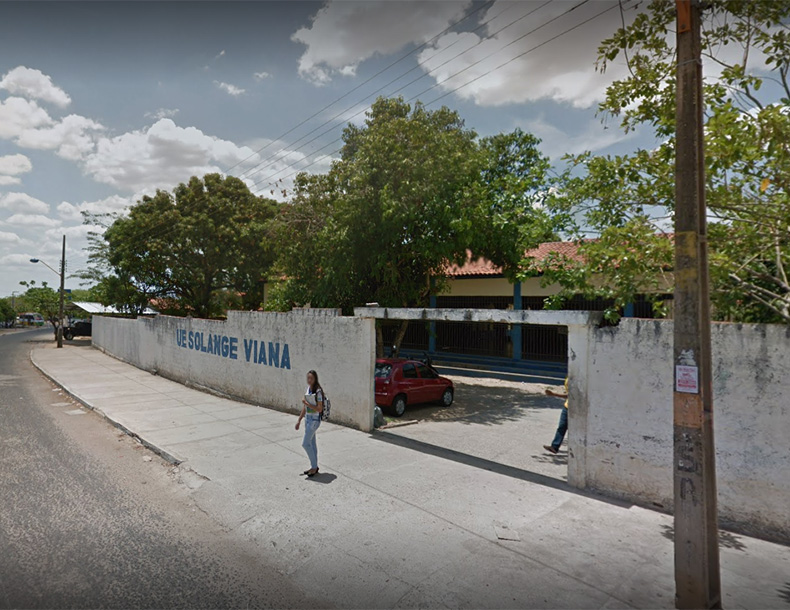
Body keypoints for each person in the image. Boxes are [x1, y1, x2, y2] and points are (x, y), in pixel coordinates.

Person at [295, 370, 324, 477]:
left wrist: (307, 404)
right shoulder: (308, 389)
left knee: (305, 444)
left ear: (315, 379)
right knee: (312, 444)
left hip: (314, 421)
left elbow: (319, 409)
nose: (309, 380)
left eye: (311, 378)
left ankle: (314, 467)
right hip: (308, 419)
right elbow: (305, 407)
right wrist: (299, 420)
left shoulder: (318, 392)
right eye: (308, 378)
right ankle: (314, 467)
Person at [544, 378, 568, 455]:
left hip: (576, 409)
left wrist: (554, 394)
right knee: (562, 426)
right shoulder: (568, 376)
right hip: (567, 406)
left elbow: (571, 395)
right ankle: (555, 446)